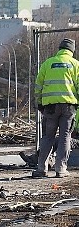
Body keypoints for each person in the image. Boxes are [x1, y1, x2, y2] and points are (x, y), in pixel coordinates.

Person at [33, 38, 79, 177]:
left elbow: (38, 85)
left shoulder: (48, 63)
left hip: (50, 107)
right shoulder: (75, 64)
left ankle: (41, 168)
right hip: (68, 107)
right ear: (72, 50)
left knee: (48, 137)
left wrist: (39, 103)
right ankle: (60, 169)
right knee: (65, 136)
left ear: (60, 49)